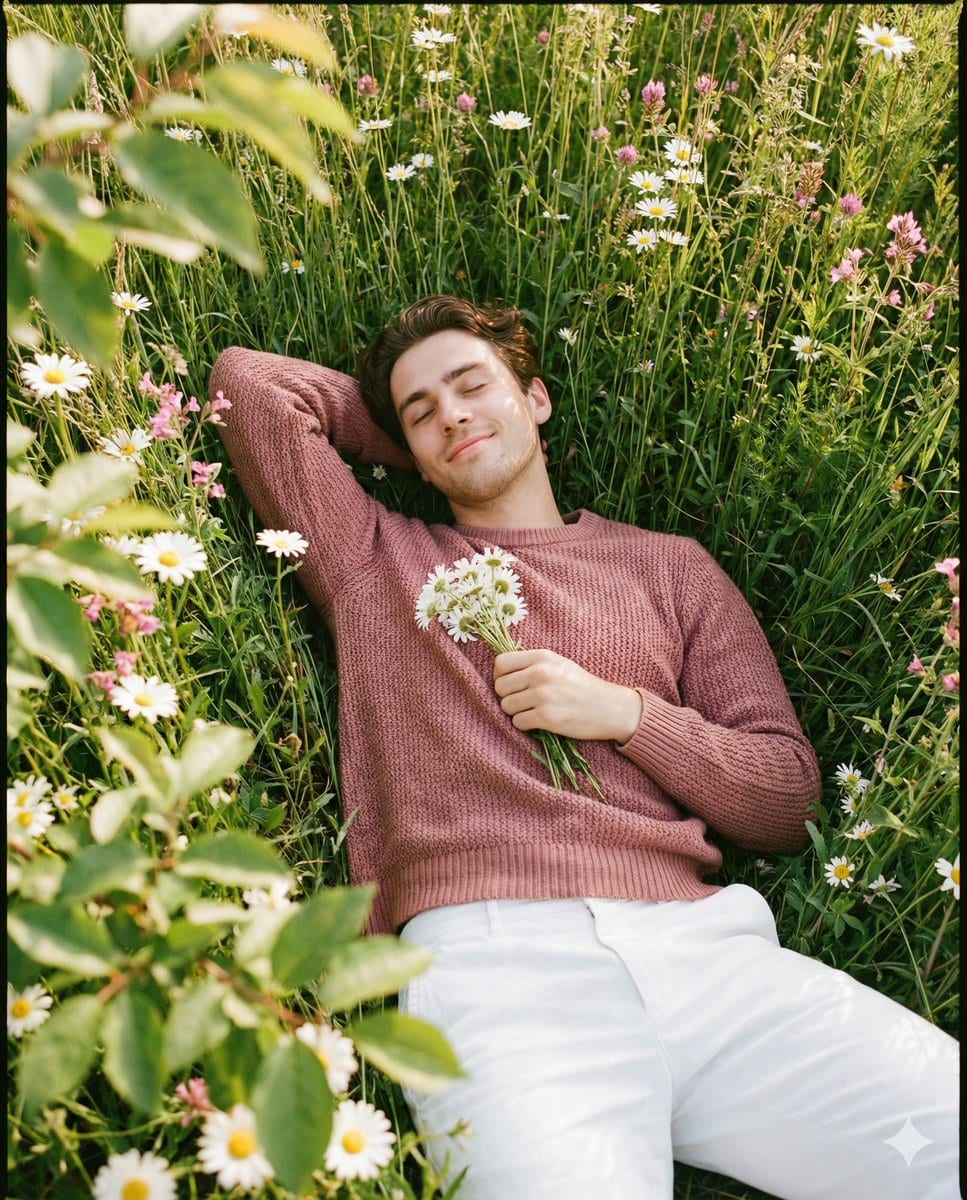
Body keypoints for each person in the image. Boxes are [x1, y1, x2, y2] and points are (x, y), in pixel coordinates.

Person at [211, 295, 958, 1200]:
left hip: (712, 960)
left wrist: (628, 714)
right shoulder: (374, 560)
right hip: (499, 969)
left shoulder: (669, 566)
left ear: (539, 398)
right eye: (419, 410)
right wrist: (422, 437)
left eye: (472, 385)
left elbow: (787, 798)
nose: (450, 412)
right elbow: (251, 387)